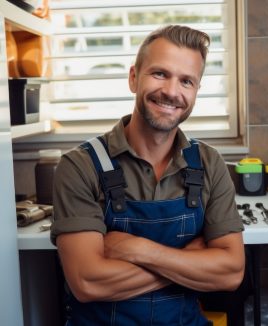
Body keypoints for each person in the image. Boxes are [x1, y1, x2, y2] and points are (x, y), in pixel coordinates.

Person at [50, 25, 245, 325]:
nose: (171, 92)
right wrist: (188, 260)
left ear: (195, 91)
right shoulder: (80, 166)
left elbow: (231, 272)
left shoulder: (209, 163)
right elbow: (87, 282)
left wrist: (138, 250)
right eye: (160, 74)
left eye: (186, 81)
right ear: (133, 78)